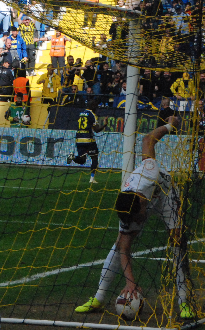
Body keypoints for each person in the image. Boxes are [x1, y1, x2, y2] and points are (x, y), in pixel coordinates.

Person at [74, 116, 195, 320]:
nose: (139, 222)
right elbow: (125, 248)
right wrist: (130, 282)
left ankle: (184, 301)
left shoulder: (150, 172)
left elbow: (148, 139)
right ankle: (99, 297)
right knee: (120, 241)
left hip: (166, 195)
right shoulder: (127, 203)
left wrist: (170, 126)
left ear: (141, 204)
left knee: (177, 239)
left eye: (139, 218)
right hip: (146, 200)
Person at [68, 99, 104, 184]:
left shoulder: (81, 113)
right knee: (94, 157)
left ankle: (73, 157)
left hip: (79, 138)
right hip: (88, 139)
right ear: (93, 106)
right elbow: (97, 130)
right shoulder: (92, 115)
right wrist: (104, 125)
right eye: (96, 106)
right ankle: (92, 178)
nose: (96, 108)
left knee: (82, 160)